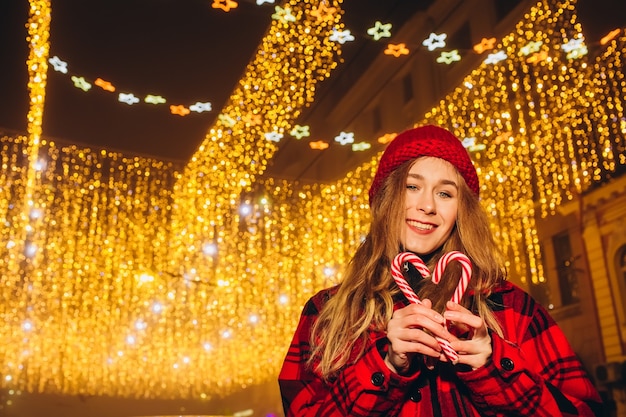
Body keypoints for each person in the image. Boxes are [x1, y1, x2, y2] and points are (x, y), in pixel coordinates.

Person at [278, 125, 602, 416]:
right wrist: (386, 366)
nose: (428, 206)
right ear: (385, 198)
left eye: (445, 193)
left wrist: (496, 369)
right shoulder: (327, 314)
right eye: (412, 187)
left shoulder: (512, 308)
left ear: (461, 211)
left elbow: (583, 411)